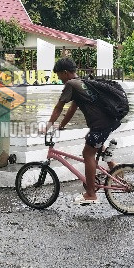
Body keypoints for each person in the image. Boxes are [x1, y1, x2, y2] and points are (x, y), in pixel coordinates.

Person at [46, 57, 121, 205]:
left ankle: (91, 194)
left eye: (59, 75)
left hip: (100, 124)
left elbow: (59, 107)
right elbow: (72, 109)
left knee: (88, 153)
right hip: (110, 120)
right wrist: (61, 125)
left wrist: (48, 125)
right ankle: (114, 167)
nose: (59, 78)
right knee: (93, 141)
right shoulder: (82, 82)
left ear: (65, 72)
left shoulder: (71, 84)